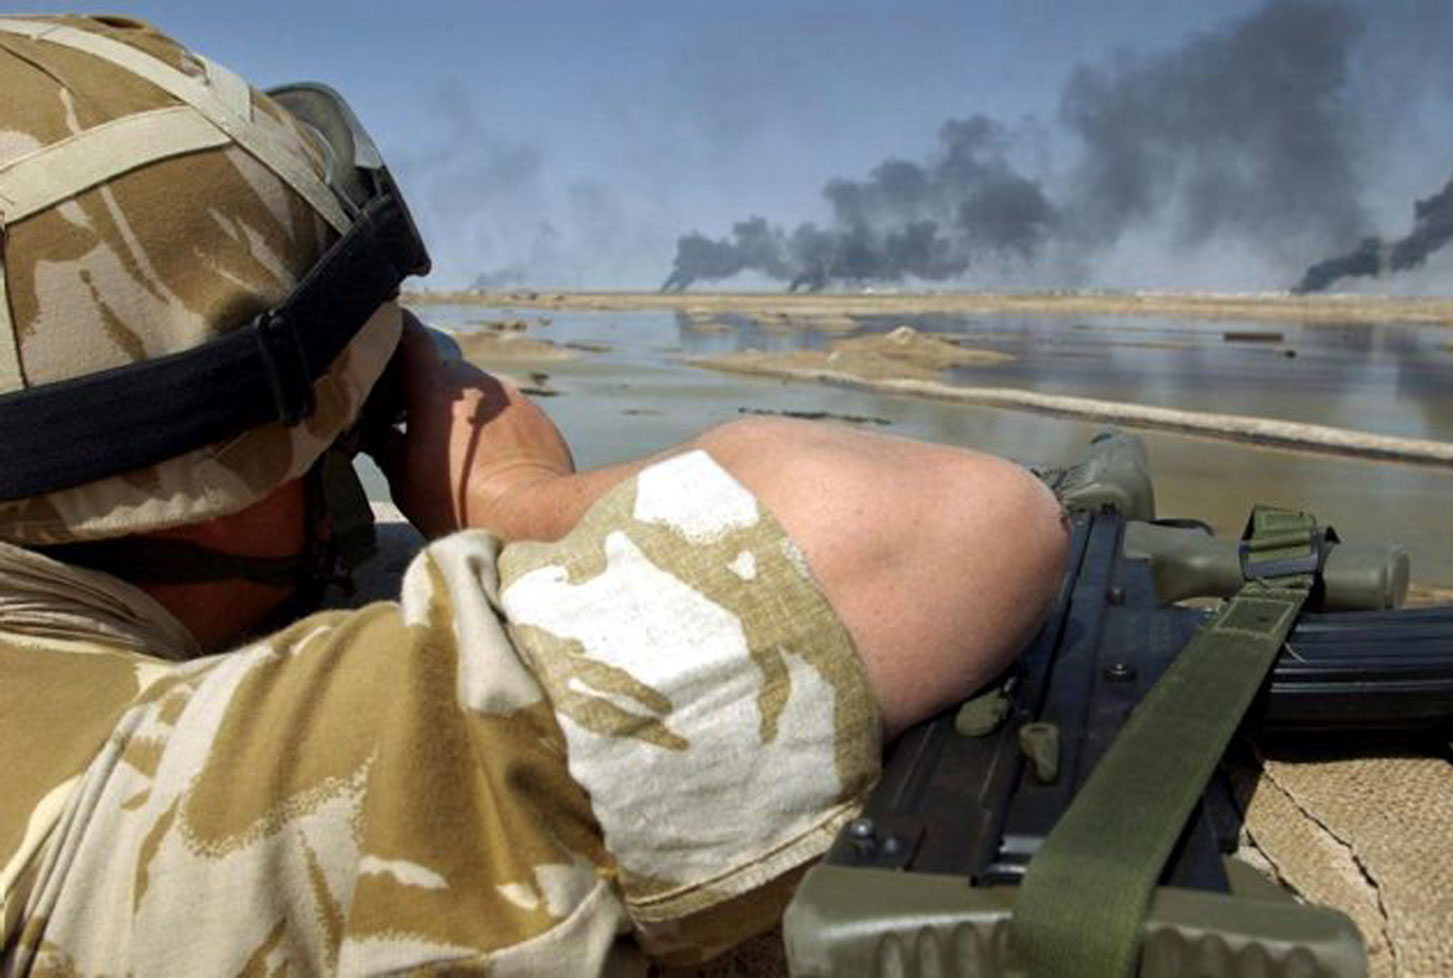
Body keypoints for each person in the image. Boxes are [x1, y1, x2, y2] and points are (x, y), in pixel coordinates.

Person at [0, 15, 1067, 974]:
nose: (361, 457)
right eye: (352, 424)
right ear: (215, 487)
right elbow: (942, 529)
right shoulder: (86, 816)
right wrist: (512, 494)